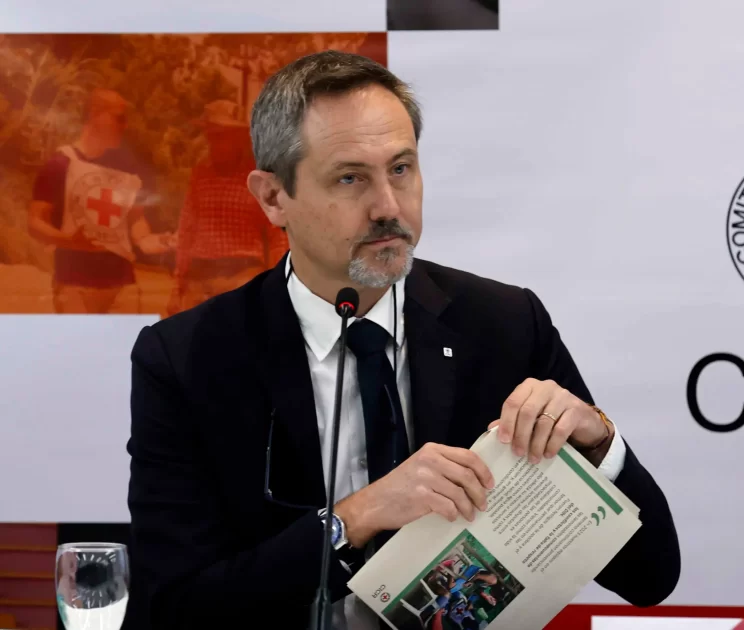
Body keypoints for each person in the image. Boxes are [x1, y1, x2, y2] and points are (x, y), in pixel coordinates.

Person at [126, 50, 680, 629]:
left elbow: (651, 577)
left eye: (401, 168)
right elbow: (170, 610)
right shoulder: (189, 359)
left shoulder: (504, 324)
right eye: (350, 178)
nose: (388, 207)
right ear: (272, 197)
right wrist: (351, 519)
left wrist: (599, 445)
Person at [27, 88, 175, 313]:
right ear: (96, 114)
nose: (124, 126)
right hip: (74, 284)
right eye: (119, 118)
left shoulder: (126, 167)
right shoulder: (60, 164)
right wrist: (68, 241)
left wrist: (155, 241)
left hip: (122, 285)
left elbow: (136, 220)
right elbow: (35, 222)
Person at [168, 99, 289, 315]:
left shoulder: (257, 180)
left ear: (239, 138)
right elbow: (187, 230)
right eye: (213, 135)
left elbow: (276, 235)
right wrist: (178, 284)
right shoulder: (200, 176)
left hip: (243, 274)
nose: (217, 142)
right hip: (200, 275)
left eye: (224, 135)